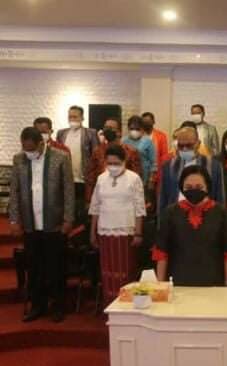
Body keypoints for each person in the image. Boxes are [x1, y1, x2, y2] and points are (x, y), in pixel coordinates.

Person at [9, 127, 75, 322]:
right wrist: (14, 219)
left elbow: (68, 190)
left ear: (41, 143)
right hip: (30, 223)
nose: (27, 153)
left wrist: (68, 219)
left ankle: (58, 306)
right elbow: (14, 191)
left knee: (55, 267)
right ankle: (37, 305)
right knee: (34, 267)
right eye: (24, 148)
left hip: (54, 223)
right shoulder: (19, 159)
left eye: (31, 149)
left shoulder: (61, 157)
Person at [154, 165, 227, 286]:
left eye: (199, 187)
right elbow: (162, 252)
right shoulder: (170, 212)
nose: (194, 191)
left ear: (207, 187)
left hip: (214, 284)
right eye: (188, 187)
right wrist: (160, 285)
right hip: (178, 283)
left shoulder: (221, 213)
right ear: (181, 188)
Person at [89, 144, 146, 307]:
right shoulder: (101, 178)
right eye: (109, 163)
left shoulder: (134, 178)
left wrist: (138, 233)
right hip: (105, 231)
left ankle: (126, 308)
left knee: (125, 272)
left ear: (124, 161)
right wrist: (92, 233)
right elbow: (95, 207)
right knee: (107, 272)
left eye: (116, 163)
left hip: (126, 232)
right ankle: (110, 306)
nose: (112, 167)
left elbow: (140, 207)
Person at [158, 127, 224, 213]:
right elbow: (163, 198)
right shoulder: (169, 166)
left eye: (189, 145)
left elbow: (220, 197)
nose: (184, 149)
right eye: (181, 146)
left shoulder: (214, 166)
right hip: (176, 215)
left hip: (207, 215)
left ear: (198, 143)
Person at [56, 105, 99, 228]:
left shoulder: (91, 133)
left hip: (83, 178)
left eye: (75, 116)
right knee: (66, 209)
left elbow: (96, 155)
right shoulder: (61, 133)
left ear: (82, 118)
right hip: (65, 178)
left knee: (81, 209)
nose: (72, 119)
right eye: (70, 117)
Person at [85, 117, 142, 203]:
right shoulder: (97, 151)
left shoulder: (130, 152)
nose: (107, 130)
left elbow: (136, 178)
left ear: (119, 132)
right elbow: (90, 178)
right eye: (105, 127)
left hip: (124, 198)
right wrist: (89, 200)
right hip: (102, 197)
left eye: (110, 128)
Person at [122, 115, 157, 190]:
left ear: (142, 129)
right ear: (128, 128)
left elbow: (153, 162)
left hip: (144, 177)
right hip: (126, 176)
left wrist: (151, 180)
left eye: (137, 129)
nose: (134, 131)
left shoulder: (148, 141)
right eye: (132, 129)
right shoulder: (123, 141)